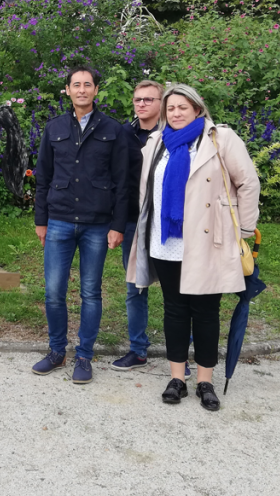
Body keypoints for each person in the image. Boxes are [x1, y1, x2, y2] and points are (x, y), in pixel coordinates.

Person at [126, 83, 260, 411]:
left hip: (207, 241)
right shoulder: (156, 143)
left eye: (182, 107)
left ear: (197, 109)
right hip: (167, 242)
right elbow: (145, 191)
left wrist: (244, 228)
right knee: (174, 309)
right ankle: (176, 379)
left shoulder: (220, 139)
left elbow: (248, 182)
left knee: (205, 312)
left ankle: (205, 381)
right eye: (171, 108)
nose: (175, 113)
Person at [32, 66, 129, 385]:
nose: (82, 89)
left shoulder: (113, 130)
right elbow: (42, 176)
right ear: (68, 90)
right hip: (58, 221)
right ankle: (57, 352)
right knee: (54, 292)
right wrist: (41, 219)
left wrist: (117, 225)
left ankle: (84, 356)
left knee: (91, 292)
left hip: (97, 225)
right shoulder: (54, 127)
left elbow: (121, 181)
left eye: (88, 85)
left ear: (96, 91)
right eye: (77, 85)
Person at [111, 79, 164, 371]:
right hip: (132, 222)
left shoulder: (172, 134)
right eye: (138, 100)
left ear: (161, 103)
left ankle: (184, 352)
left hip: (166, 224)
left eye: (148, 100)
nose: (142, 104)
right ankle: (138, 349)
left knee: (177, 291)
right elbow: (119, 182)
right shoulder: (124, 134)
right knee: (135, 288)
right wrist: (117, 224)